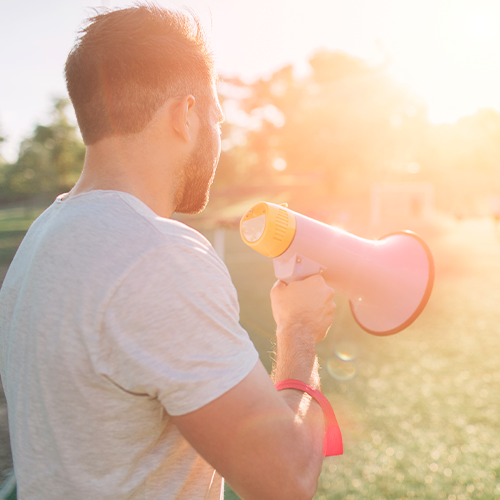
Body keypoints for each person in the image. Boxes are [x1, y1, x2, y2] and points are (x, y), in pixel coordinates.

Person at [0, 5, 339, 500]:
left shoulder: (42, 238)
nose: (219, 137)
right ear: (186, 115)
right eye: (217, 118)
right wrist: (299, 330)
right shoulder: (157, 256)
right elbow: (286, 481)